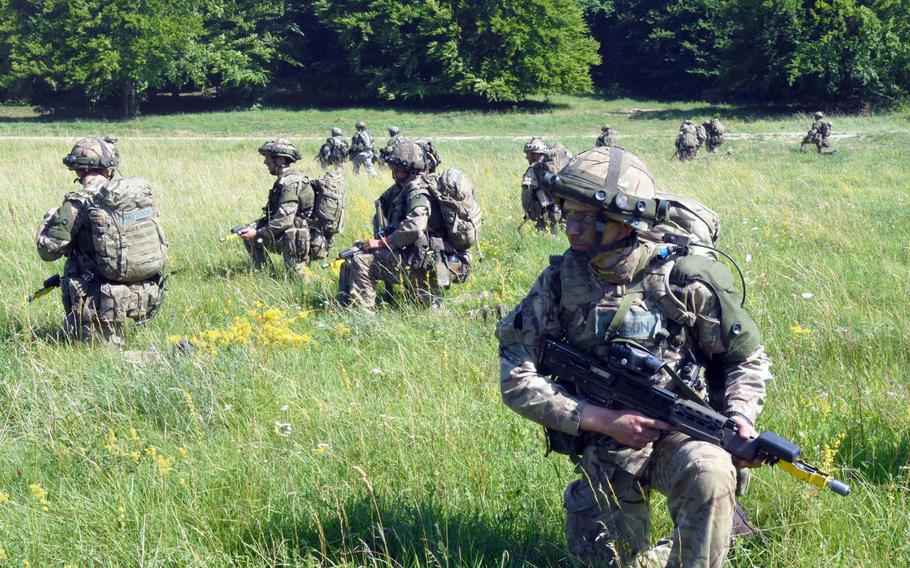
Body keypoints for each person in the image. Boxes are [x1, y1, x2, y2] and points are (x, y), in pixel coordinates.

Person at [496, 146, 771, 567]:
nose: (570, 229)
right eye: (568, 214)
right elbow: (516, 378)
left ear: (625, 222)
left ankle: (708, 533)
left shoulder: (683, 281)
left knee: (711, 475)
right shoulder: (556, 283)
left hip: (680, 433)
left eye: (585, 218)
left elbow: (745, 359)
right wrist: (602, 420)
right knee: (606, 560)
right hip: (603, 442)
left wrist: (742, 416)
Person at [36, 136, 169, 345]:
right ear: (109, 168)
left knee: (105, 358)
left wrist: (47, 220)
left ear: (78, 170)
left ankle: (170, 356)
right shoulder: (130, 198)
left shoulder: (78, 203)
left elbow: (48, 251)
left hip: (97, 300)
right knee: (71, 343)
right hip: (139, 292)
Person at [337, 141, 473, 311]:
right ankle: (342, 310)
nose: (393, 173)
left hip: (435, 266)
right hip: (430, 262)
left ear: (406, 169)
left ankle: (363, 321)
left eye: (396, 169)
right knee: (351, 261)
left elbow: (415, 226)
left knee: (361, 262)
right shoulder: (412, 187)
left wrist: (383, 243)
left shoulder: (417, 191)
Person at [240, 138, 332, 274]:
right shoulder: (288, 180)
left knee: (299, 279)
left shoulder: (290, 183)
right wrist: (254, 227)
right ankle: (267, 275)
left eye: (268, 158)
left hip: (299, 239)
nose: (265, 162)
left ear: (281, 160)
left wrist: (258, 232)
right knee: (250, 238)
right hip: (297, 235)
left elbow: (284, 220)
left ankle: (275, 276)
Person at [521, 137, 562, 232]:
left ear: (534, 154)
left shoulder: (534, 169)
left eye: (528, 153)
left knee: (543, 232)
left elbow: (526, 194)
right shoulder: (557, 165)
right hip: (562, 208)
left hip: (545, 211)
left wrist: (529, 212)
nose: (527, 157)